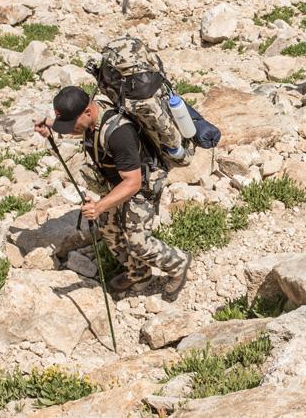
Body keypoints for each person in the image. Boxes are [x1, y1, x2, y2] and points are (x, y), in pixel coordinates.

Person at [34, 86, 190, 301]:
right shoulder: (90, 118)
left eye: (72, 123)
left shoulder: (119, 133)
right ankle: (139, 273)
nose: (71, 130)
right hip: (117, 181)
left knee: (137, 240)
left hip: (141, 184)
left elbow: (133, 182)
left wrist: (98, 206)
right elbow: (79, 128)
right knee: (109, 227)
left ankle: (178, 263)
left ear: (88, 111)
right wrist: (51, 125)